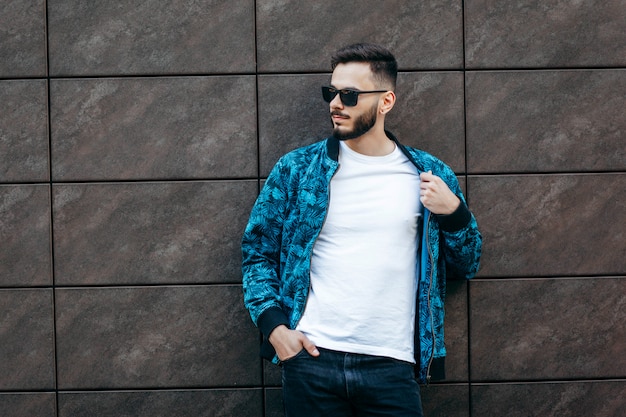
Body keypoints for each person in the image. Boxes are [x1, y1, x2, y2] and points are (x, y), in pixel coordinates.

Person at [242, 43, 482, 416]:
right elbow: (257, 251)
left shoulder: (429, 175)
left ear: (385, 102)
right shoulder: (297, 169)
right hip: (311, 359)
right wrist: (275, 330)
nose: (336, 103)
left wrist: (453, 213)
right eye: (331, 93)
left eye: (350, 95)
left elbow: (467, 264)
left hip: (392, 364)